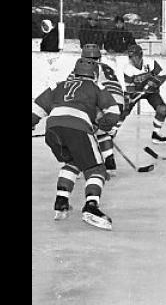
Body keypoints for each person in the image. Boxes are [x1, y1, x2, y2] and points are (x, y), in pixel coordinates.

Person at [32, 58, 121, 230]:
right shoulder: (96, 87)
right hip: (78, 127)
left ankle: (61, 201)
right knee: (97, 169)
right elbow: (114, 112)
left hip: (53, 128)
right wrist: (101, 126)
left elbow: (37, 108)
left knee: (73, 161)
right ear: (94, 75)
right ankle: (91, 206)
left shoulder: (59, 85)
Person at [69, 44, 125, 177]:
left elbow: (72, 91)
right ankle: (109, 162)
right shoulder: (107, 68)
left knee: (81, 131)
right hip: (118, 105)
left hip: (103, 102)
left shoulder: (83, 67)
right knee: (102, 131)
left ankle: (80, 165)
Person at [122, 44, 166, 144]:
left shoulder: (151, 63)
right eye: (131, 57)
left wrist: (155, 82)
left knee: (162, 109)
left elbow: (162, 76)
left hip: (151, 92)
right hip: (137, 92)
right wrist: (131, 97)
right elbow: (130, 89)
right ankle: (111, 132)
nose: (133, 60)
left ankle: (156, 134)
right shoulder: (127, 69)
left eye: (135, 56)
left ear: (141, 55)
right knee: (123, 110)